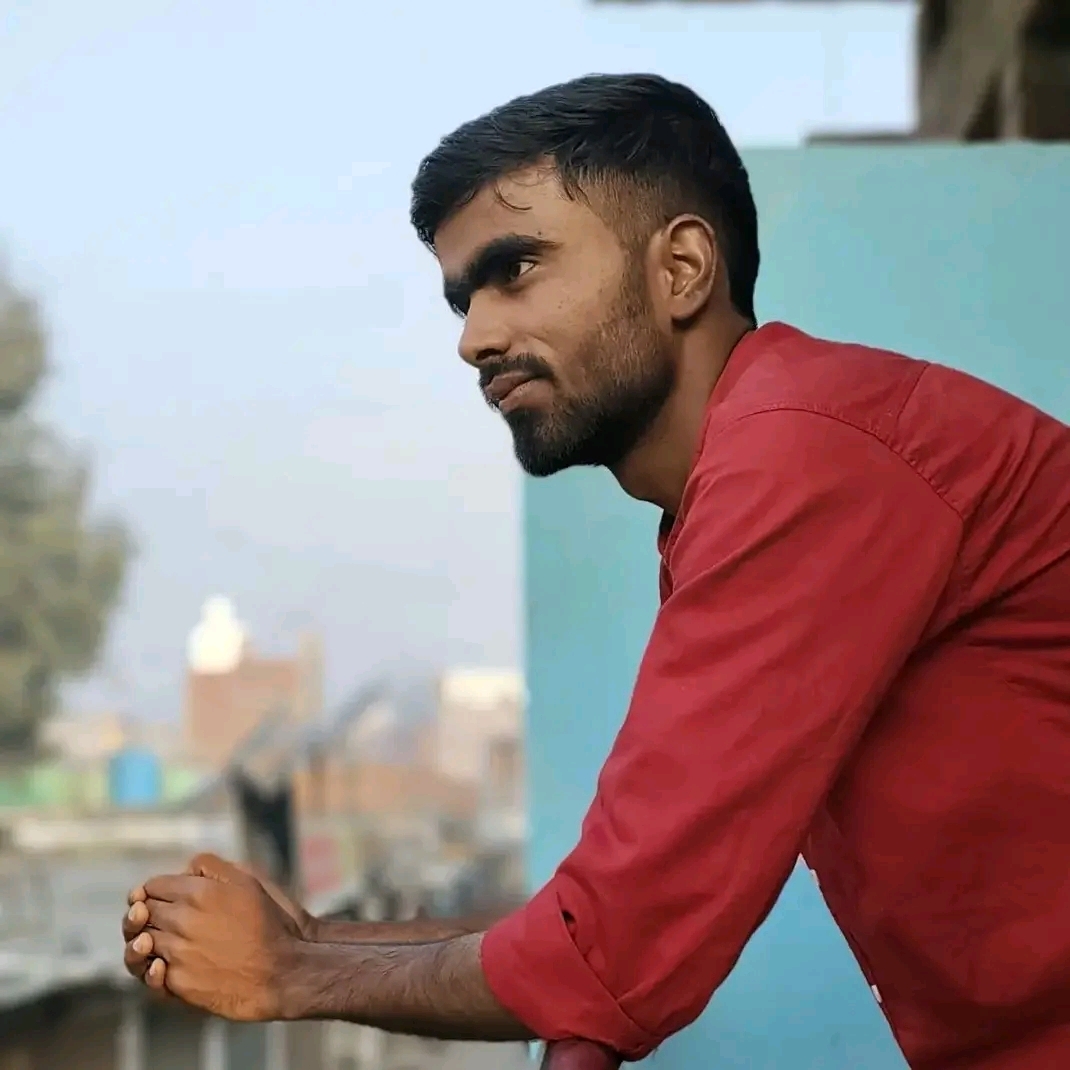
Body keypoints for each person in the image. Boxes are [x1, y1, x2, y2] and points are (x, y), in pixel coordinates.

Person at [122, 73, 1070, 1070]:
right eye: (464, 298)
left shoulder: (803, 456)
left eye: (516, 268)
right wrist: (320, 939)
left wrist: (292, 976)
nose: (474, 338)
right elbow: (609, 899)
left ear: (681, 269)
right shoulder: (737, 482)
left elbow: (614, 946)